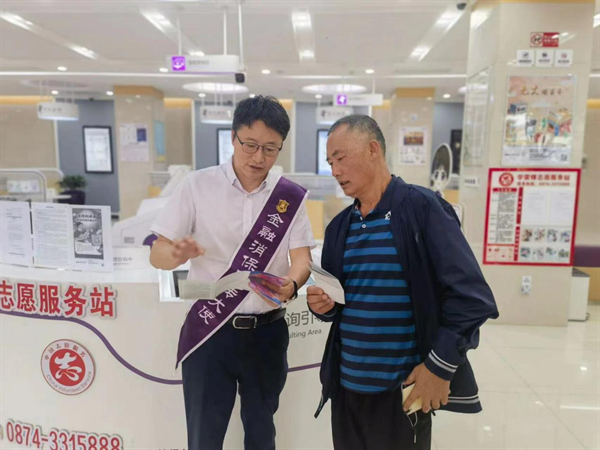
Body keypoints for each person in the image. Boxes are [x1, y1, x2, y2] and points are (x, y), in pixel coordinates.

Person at [307, 115, 498, 450]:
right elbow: (339, 302)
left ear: (372, 150)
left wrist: (438, 367)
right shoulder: (339, 227)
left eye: (340, 158)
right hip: (346, 388)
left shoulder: (423, 209)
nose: (335, 170)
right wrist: (322, 306)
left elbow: (471, 299)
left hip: (400, 392)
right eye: (330, 162)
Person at [149, 96, 315, 450]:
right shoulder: (196, 186)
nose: (259, 158)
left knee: (262, 433)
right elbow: (157, 253)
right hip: (211, 332)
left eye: (270, 149)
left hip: (267, 334)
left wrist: (292, 283)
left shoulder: (289, 197)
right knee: (204, 437)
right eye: (250, 145)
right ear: (233, 137)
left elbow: (302, 257)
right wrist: (175, 253)